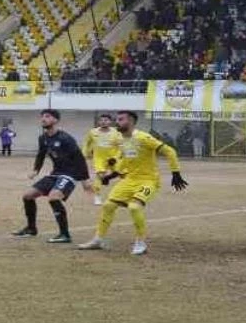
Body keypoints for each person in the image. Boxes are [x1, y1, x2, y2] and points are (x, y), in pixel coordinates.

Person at [78, 111, 188, 255]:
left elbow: (170, 151)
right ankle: (98, 239)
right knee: (108, 206)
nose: (117, 122)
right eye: (117, 119)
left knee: (134, 207)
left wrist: (176, 173)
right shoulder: (122, 140)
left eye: (121, 119)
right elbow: (125, 162)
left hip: (148, 181)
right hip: (129, 180)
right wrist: (110, 176)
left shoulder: (143, 138)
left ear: (130, 121)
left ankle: (141, 242)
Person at [12, 109, 92, 243]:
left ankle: (65, 235)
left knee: (54, 197)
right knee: (27, 196)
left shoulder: (65, 138)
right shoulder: (43, 138)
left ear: (55, 120)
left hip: (70, 174)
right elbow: (41, 155)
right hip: (56, 173)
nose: (43, 119)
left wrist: (85, 179)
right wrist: (36, 170)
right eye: (42, 117)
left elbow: (79, 158)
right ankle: (31, 229)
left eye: (47, 116)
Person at [83, 114, 123, 206]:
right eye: (101, 120)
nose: (103, 122)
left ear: (110, 122)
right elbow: (86, 143)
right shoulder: (93, 132)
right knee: (99, 176)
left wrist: (115, 157)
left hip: (113, 158)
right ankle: (97, 196)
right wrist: (84, 154)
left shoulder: (116, 132)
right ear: (98, 122)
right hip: (99, 158)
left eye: (106, 120)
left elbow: (121, 147)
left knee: (122, 173)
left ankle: (121, 193)